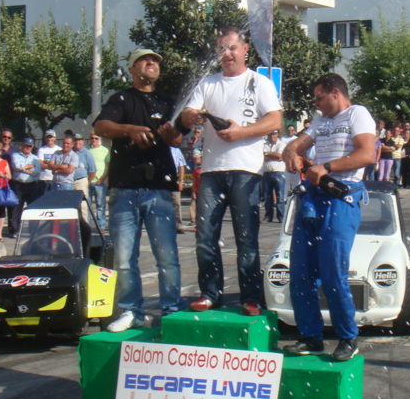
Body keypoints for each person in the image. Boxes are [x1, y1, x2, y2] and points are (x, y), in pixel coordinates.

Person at [179, 27, 282, 316]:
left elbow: (275, 120)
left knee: (246, 237)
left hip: (246, 170)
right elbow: (187, 115)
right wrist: (193, 116)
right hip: (211, 169)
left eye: (232, 48)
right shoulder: (207, 83)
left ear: (245, 49)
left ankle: (251, 296)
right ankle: (210, 293)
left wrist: (242, 132)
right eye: (221, 49)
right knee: (205, 236)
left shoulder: (259, 82)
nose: (226, 54)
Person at [281, 73, 376, 362]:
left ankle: (347, 337)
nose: (316, 103)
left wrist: (327, 166)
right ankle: (310, 336)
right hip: (313, 196)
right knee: (300, 272)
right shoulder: (320, 122)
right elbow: (295, 145)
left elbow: (367, 154)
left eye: (319, 97)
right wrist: (292, 154)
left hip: (341, 195)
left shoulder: (357, 114)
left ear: (336, 93)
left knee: (333, 271)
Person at [94, 47, 182, 331]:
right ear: (133, 69)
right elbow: (101, 126)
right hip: (124, 188)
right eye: (145, 59)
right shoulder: (121, 99)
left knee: (166, 256)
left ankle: (170, 309)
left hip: (160, 187)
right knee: (123, 258)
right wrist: (130, 129)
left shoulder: (167, 100)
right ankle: (131, 311)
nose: (152, 63)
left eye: (156, 59)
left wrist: (174, 135)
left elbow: (180, 136)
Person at [9, 136, 43, 231]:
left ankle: (33, 229)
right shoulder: (15, 155)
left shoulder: (35, 158)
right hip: (18, 184)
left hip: (32, 185)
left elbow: (37, 171)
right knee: (16, 208)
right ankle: (15, 229)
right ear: (22, 145)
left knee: (32, 207)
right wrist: (30, 167)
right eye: (26, 145)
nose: (28, 147)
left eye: (30, 146)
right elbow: (17, 166)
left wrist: (23, 169)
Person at [262, 129, 287, 222]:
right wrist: (272, 155)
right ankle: (268, 216)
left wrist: (268, 154)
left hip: (279, 172)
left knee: (280, 195)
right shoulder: (265, 144)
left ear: (277, 135)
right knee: (267, 196)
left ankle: (281, 216)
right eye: (270, 134)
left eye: (274, 134)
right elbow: (262, 156)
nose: (272, 136)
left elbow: (280, 156)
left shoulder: (281, 144)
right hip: (267, 172)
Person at [88, 132, 110, 230]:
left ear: (100, 140)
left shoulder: (105, 151)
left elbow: (108, 166)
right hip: (88, 181)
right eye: (92, 138)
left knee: (100, 205)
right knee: (87, 205)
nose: (94, 140)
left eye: (96, 138)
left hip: (99, 182)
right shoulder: (87, 150)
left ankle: (101, 226)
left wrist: (102, 179)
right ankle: (87, 226)